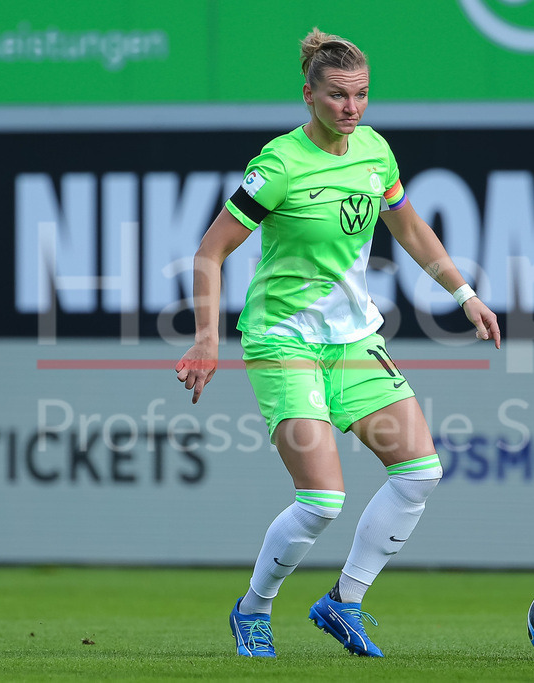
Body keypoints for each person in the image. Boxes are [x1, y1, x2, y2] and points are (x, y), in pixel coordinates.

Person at [175, 28, 500, 659]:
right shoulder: (278, 166)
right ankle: (254, 610)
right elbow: (210, 251)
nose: (351, 108)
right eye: (337, 96)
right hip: (281, 341)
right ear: (309, 95)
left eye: (361, 95)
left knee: (419, 472)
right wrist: (207, 338)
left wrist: (466, 296)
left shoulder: (375, 153)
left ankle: (343, 603)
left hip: (352, 340)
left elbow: (409, 228)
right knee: (322, 498)